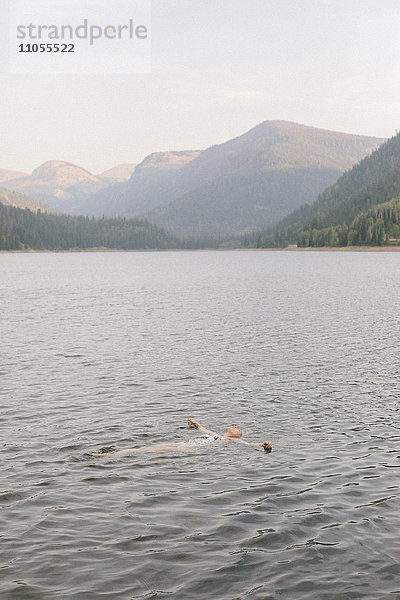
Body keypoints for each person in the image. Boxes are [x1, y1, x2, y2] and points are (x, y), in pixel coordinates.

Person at [92, 418, 272, 456]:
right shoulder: (215, 434)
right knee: (146, 449)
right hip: (185, 444)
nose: (235, 426)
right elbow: (202, 427)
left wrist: (264, 445)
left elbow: (251, 444)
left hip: (189, 448)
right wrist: (195, 423)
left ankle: (109, 456)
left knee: (147, 451)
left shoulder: (231, 439)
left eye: (237, 428)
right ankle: (113, 454)